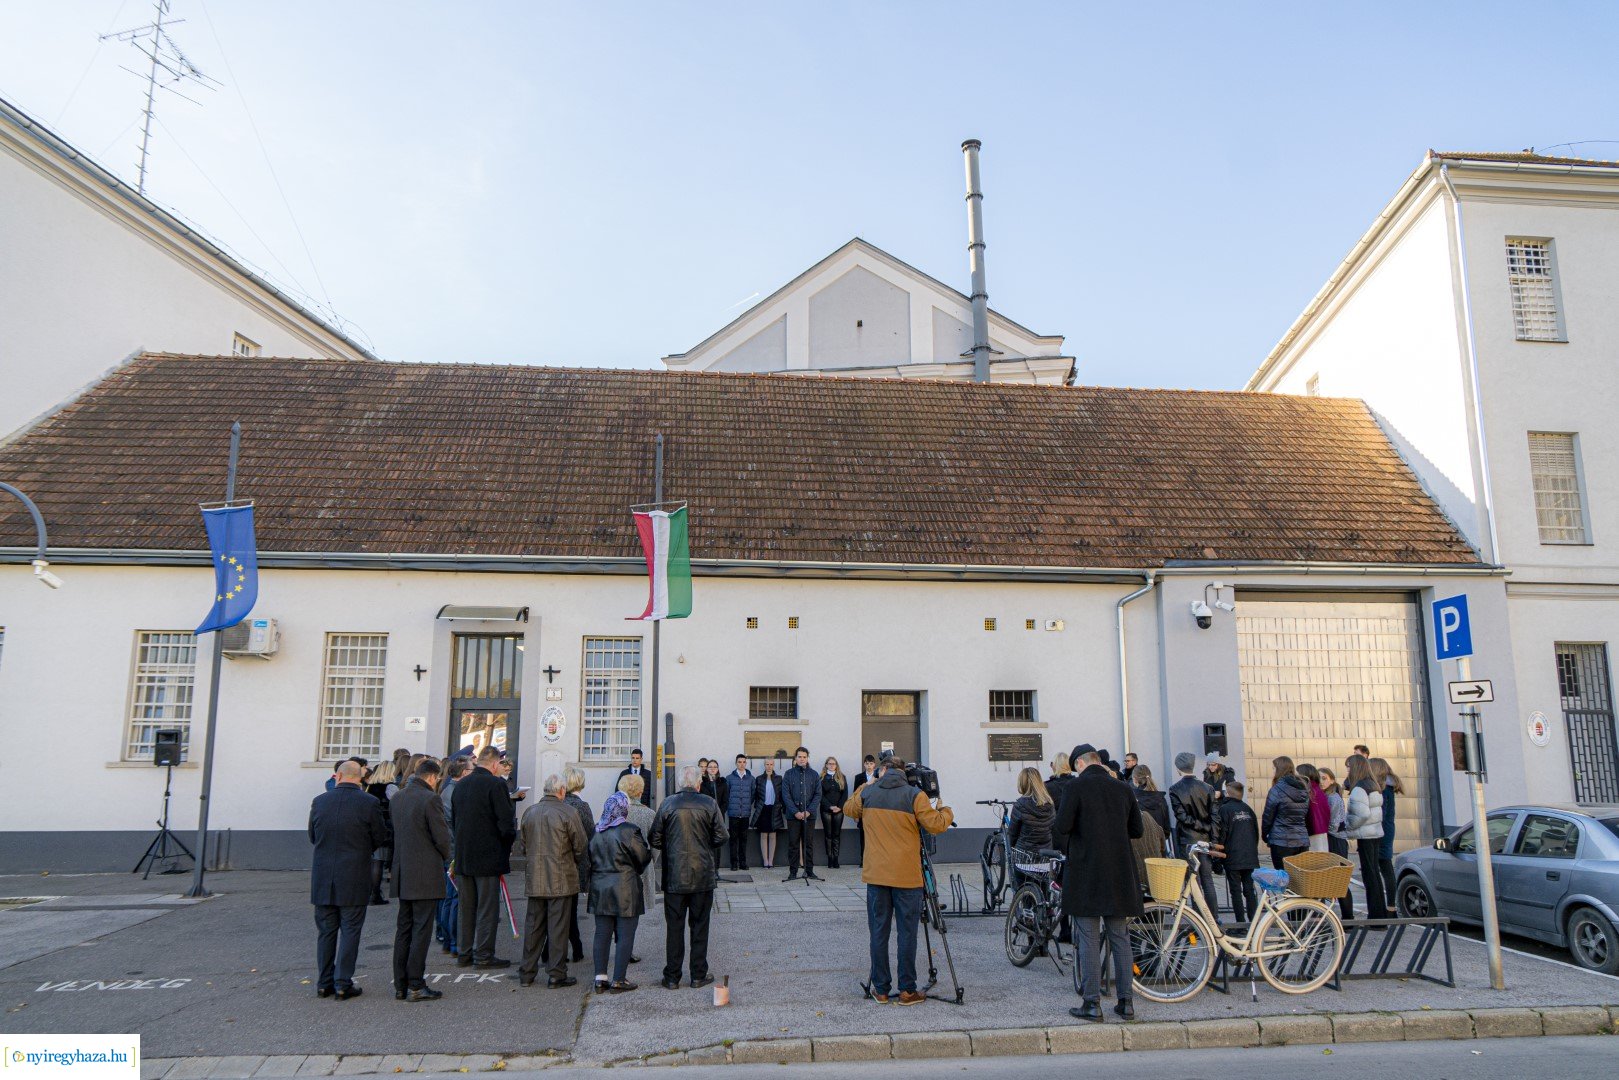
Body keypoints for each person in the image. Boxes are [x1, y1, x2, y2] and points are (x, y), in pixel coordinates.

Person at [842, 751, 953, 1005]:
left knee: (878, 932)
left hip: (876, 875)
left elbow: (849, 809)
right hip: (907, 877)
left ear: (882, 771)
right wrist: (946, 809)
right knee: (907, 933)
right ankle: (907, 990)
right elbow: (935, 824)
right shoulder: (915, 795)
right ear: (904, 773)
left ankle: (880, 989)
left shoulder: (869, 793)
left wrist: (866, 785)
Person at [1054, 744, 1143, 1023]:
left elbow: (1062, 826)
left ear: (1080, 763)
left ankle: (1092, 1003)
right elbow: (1137, 830)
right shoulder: (1123, 788)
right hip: (1119, 871)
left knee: (1089, 939)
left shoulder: (1076, 788)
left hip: (1086, 871)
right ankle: (1126, 1003)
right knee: (1120, 937)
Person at [308, 760, 388, 1000]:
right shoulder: (369, 803)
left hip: (323, 875)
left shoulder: (320, 801)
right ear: (360, 777)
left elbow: (313, 835)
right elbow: (379, 836)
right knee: (351, 929)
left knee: (326, 931)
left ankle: (324, 982)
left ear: (338, 777)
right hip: (354, 873)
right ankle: (343, 982)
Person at [649, 766, 727, 989]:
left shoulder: (668, 803)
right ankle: (697, 974)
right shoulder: (709, 803)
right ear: (699, 783)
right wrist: (704, 844)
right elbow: (722, 836)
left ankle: (672, 976)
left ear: (680, 784)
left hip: (675, 876)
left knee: (674, 927)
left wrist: (671, 847)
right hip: (702, 875)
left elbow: (654, 838)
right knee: (700, 926)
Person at [514, 774, 588, 989]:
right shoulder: (568, 812)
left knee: (534, 927)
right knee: (558, 928)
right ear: (562, 790)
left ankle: (527, 972)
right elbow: (580, 846)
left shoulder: (530, 812)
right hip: (561, 878)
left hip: (536, 878)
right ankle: (556, 974)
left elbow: (523, 846)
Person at [390, 758, 451, 1001]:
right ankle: (416, 983)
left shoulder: (398, 798)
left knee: (404, 928)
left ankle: (400, 984)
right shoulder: (430, 799)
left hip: (404, 872)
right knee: (421, 930)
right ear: (433, 777)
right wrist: (448, 857)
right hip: (424, 873)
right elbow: (441, 837)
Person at [451, 746, 516, 968]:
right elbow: (506, 823)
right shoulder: (496, 784)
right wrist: (506, 847)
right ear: (496, 764)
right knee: (487, 909)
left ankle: (464, 952)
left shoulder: (461, 785)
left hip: (463, 855)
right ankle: (484, 955)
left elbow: (454, 820)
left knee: (466, 908)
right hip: (488, 856)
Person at [588, 791, 652, 994]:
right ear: (624, 808)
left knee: (602, 934)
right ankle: (618, 979)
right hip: (625, 889)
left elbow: (588, 857)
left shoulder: (597, 831)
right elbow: (643, 857)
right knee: (625, 935)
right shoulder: (629, 830)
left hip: (600, 889)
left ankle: (600, 978)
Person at [1168, 752, 1220, 917]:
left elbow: (1181, 816)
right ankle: (1213, 918)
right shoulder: (1208, 788)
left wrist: (1201, 826)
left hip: (1187, 839)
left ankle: (1199, 918)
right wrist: (1212, 835)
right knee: (1207, 879)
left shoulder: (1175, 789)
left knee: (1193, 881)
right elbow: (1215, 817)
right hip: (1204, 839)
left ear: (1178, 768)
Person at [435, 756, 471, 958]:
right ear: (464, 773)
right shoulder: (455, 792)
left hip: (451, 848)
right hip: (455, 850)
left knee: (449, 897)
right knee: (454, 897)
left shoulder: (447, 790)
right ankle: (454, 940)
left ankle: (448, 938)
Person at [1344, 754, 1388, 919]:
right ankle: (1380, 915)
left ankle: (1376, 917)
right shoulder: (1373, 785)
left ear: (1355, 768)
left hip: (1366, 836)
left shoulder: (1359, 789)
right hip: (1375, 833)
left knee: (1369, 876)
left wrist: (1349, 826)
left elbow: (1361, 814)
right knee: (1374, 874)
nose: (1347, 769)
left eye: (1349, 766)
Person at [1214, 779, 1259, 925]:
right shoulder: (1248, 809)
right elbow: (1255, 833)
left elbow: (1222, 834)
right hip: (1249, 855)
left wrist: (1218, 858)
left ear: (1227, 793)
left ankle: (1240, 924)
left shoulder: (1224, 809)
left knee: (1235, 891)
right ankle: (1253, 921)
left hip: (1232, 855)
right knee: (1249, 890)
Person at [562, 768, 594, 964]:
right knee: (570, 909)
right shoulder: (581, 806)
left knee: (559, 909)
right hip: (576, 862)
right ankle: (576, 947)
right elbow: (590, 833)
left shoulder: (560, 803)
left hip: (558, 862)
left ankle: (568, 947)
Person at [619, 773, 658, 922]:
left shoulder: (615, 812)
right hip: (642, 866)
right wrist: (651, 859)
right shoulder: (649, 814)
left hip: (618, 867)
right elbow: (656, 844)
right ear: (640, 791)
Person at [781, 746, 822, 882]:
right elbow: (785, 795)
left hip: (809, 816)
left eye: (804, 757)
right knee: (793, 844)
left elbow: (818, 794)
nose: (802, 759)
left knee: (808, 844)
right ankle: (793, 872)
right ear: (795, 758)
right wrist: (796, 812)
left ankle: (809, 870)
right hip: (793, 816)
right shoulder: (788, 774)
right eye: (799, 756)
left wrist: (808, 811)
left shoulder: (814, 774)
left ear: (807, 758)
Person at [1261, 756, 1310, 870]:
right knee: (1299, 878)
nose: (1272, 771)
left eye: (1273, 768)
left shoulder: (1277, 790)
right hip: (1301, 839)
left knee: (1282, 877)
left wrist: (1265, 835)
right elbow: (1304, 814)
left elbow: (1268, 816)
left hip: (1281, 840)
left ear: (1279, 769)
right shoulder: (1304, 788)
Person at [1318, 767, 1353, 920]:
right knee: (1328, 879)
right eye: (1319, 778)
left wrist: (1320, 827)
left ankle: (1348, 918)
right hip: (1330, 838)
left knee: (1340, 880)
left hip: (1336, 840)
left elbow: (1334, 824)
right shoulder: (1325, 796)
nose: (1321, 781)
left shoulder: (1333, 798)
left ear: (1332, 779)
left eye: (1324, 778)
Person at [365, 761, 400, 905]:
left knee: (374, 861)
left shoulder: (369, 787)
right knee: (379, 861)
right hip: (385, 827)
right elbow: (398, 805)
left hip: (370, 827)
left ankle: (371, 893)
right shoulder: (390, 787)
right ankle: (375, 894)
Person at [1371, 757, 1403, 911]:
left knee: (1383, 867)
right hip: (1387, 830)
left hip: (1380, 832)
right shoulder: (1388, 787)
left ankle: (1389, 908)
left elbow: (1379, 814)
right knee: (1386, 866)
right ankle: (1391, 907)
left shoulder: (1383, 790)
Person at [1007, 767, 1055, 858]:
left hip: (1024, 858)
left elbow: (1013, 834)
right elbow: (1052, 829)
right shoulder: (1050, 804)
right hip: (1046, 857)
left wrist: (1011, 850)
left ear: (1022, 783)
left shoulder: (1020, 805)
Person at [750, 757, 785, 869]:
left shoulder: (779, 778)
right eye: (767, 764)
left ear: (773, 765)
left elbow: (782, 795)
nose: (769, 766)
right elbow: (756, 795)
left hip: (774, 810)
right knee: (764, 835)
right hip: (763, 809)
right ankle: (765, 861)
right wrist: (757, 807)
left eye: (771, 764)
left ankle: (771, 860)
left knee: (773, 835)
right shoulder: (759, 779)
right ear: (764, 765)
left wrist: (782, 807)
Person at [725, 754, 754, 871]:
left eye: (743, 762)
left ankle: (743, 863)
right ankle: (734, 864)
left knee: (743, 840)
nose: (741, 764)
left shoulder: (751, 779)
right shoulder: (729, 778)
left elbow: (752, 795)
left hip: (745, 814)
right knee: (733, 840)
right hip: (733, 814)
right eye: (739, 762)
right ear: (736, 763)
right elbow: (727, 795)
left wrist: (746, 806)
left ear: (746, 763)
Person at [699, 759, 730, 869]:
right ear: (707, 769)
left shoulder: (722, 782)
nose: (712, 768)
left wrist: (719, 814)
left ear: (718, 769)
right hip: (706, 818)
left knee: (717, 844)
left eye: (715, 767)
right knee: (706, 843)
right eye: (710, 767)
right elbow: (701, 801)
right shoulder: (702, 783)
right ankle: (707, 868)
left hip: (719, 817)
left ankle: (716, 869)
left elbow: (725, 801)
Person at [820, 756, 848, 869]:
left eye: (834, 763)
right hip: (826, 810)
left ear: (836, 765)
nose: (832, 765)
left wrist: (839, 807)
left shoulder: (842, 777)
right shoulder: (821, 778)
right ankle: (829, 859)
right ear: (826, 765)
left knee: (836, 835)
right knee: (828, 835)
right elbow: (820, 795)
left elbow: (845, 794)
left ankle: (836, 859)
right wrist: (830, 806)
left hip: (839, 811)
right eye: (830, 763)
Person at [851, 755, 878, 865]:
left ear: (874, 764)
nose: (869, 766)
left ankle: (873, 860)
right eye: (867, 763)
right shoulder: (858, 777)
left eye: (871, 764)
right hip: (863, 811)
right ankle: (863, 860)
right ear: (864, 764)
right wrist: (855, 814)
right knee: (863, 836)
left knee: (874, 836)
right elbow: (855, 795)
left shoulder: (878, 777)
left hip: (875, 810)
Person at [1297, 763, 1330, 853]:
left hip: (1312, 831)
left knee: (1314, 862)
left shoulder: (1308, 791)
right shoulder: (1318, 790)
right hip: (1321, 830)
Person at [1130, 765, 1171, 838]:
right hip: (1159, 842)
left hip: (1141, 844)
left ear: (1135, 779)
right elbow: (1166, 826)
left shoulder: (1133, 799)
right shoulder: (1161, 799)